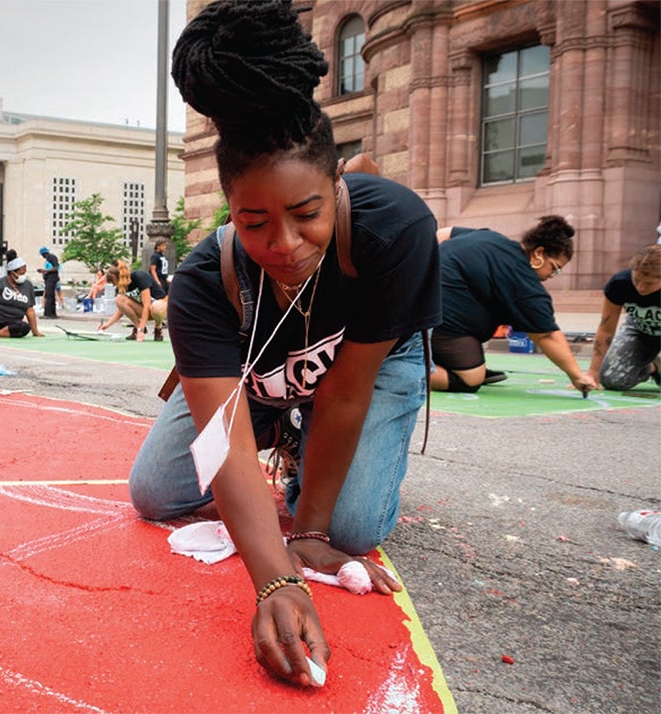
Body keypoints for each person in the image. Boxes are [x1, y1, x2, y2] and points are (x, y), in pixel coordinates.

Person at [128, 0, 441, 688]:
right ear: (228, 211)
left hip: (358, 376)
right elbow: (222, 437)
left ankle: (307, 464)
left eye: (307, 214)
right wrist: (274, 584)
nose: (285, 245)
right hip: (260, 378)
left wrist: (307, 534)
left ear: (338, 184)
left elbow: (347, 390)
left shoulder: (395, 231)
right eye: (254, 222)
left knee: (349, 530)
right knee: (153, 492)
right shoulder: (205, 281)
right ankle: (286, 435)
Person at [431, 217, 598, 394]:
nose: (553, 275)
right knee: (470, 380)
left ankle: (433, 361)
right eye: (554, 268)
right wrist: (577, 376)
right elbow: (547, 336)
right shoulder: (525, 283)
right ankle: (403, 372)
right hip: (439, 314)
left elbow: (443, 234)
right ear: (538, 253)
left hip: (415, 298)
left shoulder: (492, 237)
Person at [586, 244, 661, 390]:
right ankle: (652, 366)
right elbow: (606, 329)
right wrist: (593, 373)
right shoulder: (620, 284)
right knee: (611, 379)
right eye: (637, 280)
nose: (640, 288)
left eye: (649, 283)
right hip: (639, 331)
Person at [97, 264, 167, 342]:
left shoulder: (139, 277)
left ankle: (158, 327)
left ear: (119, 278)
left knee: (156, 306)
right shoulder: (121, 287)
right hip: (145, 310)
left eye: (114, 282)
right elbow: (121, 309)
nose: (114, 285)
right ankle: (138, 328)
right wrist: (106, 325)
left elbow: (146, 305)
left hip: (160, 308)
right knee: (119, 299)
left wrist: (141, 328)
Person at [0, 251, 44, 338]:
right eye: (21, 273)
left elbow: (30, 310)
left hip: (14, 324)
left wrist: (35, 331)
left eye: (25, 273)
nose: (23, 276)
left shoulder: (28, 285)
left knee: (24, 327)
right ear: (12, 273)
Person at [37, 246, 61, 318]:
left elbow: (56, 268)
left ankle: (48, 314)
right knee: (51, 296)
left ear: (43, 254)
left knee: (49, 296)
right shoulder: (49, 258)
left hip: (52, 279)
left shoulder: (51, 257)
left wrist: (45, 271)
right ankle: (53, 314)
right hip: (49, 279)